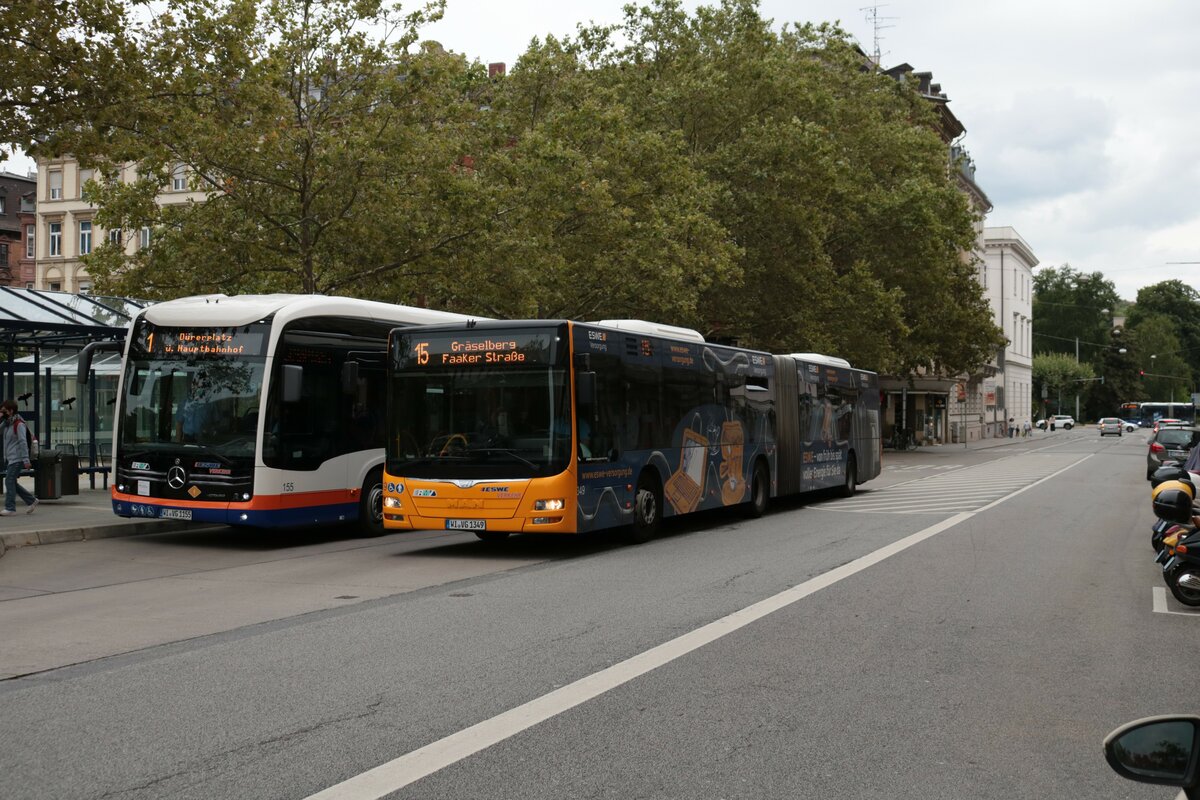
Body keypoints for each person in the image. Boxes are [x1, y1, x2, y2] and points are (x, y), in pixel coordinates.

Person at [0, 399, 37, 515]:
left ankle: (10, 508)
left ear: (11, 411)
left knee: (9, 481)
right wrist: (2, 419)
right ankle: (31, 500)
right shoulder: (7, 424)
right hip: (11, 458)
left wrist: (26, 460)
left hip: (18, 458)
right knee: (12, 482)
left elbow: (23, 442)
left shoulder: (19, 424)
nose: (2, 413)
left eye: (4, 411)